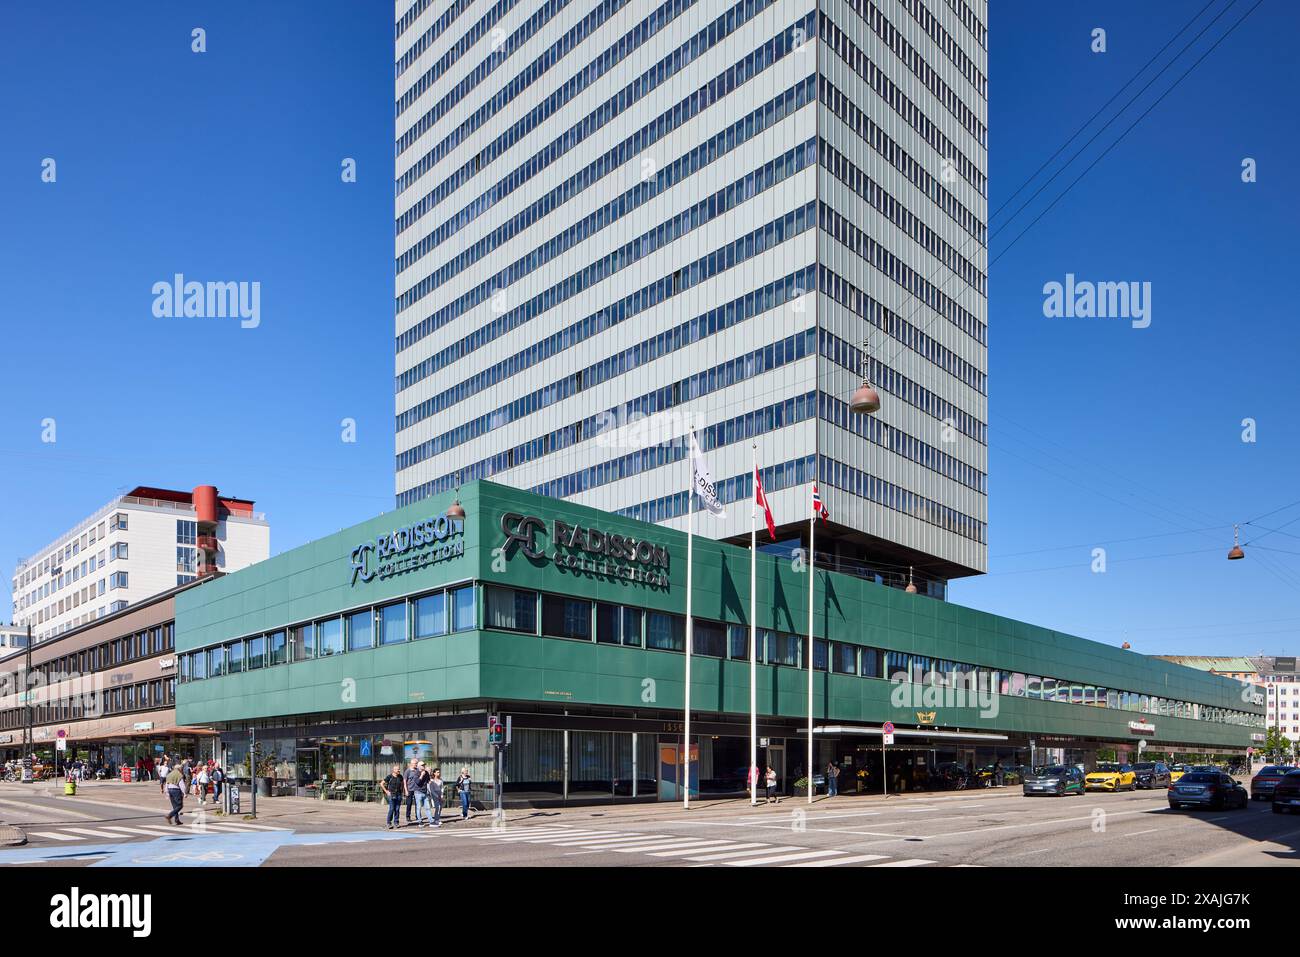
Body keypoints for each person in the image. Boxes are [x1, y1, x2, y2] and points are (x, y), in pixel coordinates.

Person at [381, 764, 404, 830]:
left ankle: (396, 822)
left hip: (399, 794)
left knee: (397, 809)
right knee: (391, 808)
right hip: (391, 795)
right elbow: (381, 783)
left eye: (399, 769)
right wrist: (386, 791)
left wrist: (402, 792)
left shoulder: (400, 777)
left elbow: (402, 784)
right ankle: (389, 823)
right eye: (397, 769)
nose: (399, 770)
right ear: (393, 770)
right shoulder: (389, 777)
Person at [413, 761, 433, 827]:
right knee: (419, 807)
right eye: (422, 765)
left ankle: (431, 821)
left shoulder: (426, 772)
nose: (423, 766)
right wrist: (421, 775)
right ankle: (420, 821)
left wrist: (432, 784)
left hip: (425, 792)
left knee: (427, 807)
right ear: (418, 766)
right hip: (418, 792)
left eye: (424, 765)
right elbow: (418, 782)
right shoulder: (416, 773)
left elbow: (428, 781)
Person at [402, 758, 419, 826]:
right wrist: (406, 790)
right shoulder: (408, 771)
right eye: (415, 763)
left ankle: (417, 816)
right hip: (410, 789)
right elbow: (404, 781)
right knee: (409, 804)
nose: (416, 765)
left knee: (418, 804)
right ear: (412, 764)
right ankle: (408, 816)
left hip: (417, 789)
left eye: (417, 763)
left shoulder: (417, 770)